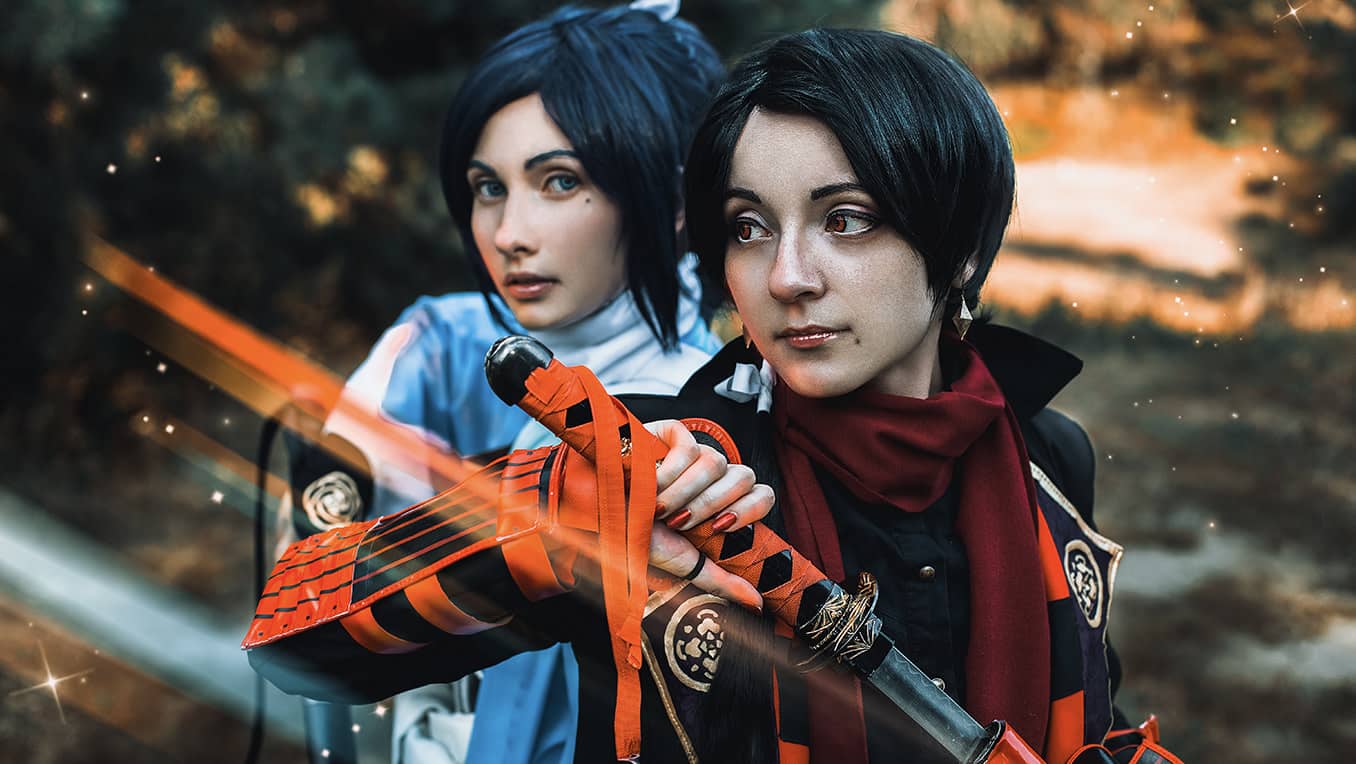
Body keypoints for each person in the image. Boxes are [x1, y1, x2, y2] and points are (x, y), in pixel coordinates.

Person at [256, 27, 1180, 763]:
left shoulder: (1047, 459)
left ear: (962, 249)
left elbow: (1090, 702)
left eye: (846, 220)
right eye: (748, 227)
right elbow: (296, 636)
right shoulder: (668, 466)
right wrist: (556, 529)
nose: (786, 276)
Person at [283, 4, 738, 763]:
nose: (507, 234)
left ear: (675, 198)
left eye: (559, 182)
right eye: (487, 188)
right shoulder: (437, 348)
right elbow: (306, 602)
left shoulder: (709, 426)